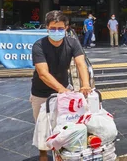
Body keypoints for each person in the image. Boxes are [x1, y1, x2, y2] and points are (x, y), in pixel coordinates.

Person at [31, 11, 92, 161]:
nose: (56, 32)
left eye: (60, 28)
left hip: (64, 90)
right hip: (41, 92)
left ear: (66, 28)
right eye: (53, 28)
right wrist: (60, 89)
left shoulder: (72, 43)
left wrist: (85, 84)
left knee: (67, 125)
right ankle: (43, 155)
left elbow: (81, 64)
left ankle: (64, 155)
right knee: (43, 127)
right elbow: (43, 73)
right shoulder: (39, 45)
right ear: (47, 28)